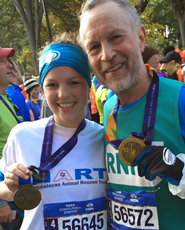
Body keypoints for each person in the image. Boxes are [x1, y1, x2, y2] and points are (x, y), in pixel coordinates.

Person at [79, 0, 185, 229]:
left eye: (116, 37)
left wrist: (180, 171)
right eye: (94, 47)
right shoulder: (109, 109)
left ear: (140, 38)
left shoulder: (181, 100)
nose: (106, 55)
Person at [0, 36, 107, 230]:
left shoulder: (104, 138)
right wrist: (10, 186)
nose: (62, 94)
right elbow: (2, 188)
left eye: (73, 83)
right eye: (52, 85)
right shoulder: (22, 135)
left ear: (88, 85)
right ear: (42, 89)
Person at [0, 47, 23, 230]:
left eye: (8, 60)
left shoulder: (6, 98)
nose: (10, 65)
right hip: (5, 202)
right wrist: (0, 203)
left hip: (18, 195)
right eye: (2, 61)